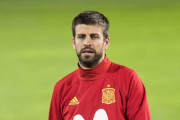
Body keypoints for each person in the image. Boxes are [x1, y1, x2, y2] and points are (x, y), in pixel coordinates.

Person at [49, 11, 151, 120]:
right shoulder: (62, 88)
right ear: (74, 43)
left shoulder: (128, 79)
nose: (87, 43)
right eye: (81, 37)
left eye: (94, 37)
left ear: (106, 42)